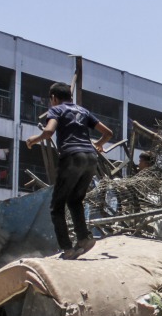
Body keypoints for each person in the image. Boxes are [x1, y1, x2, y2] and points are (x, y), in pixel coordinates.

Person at [26, 82, 113, 259]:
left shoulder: (57, 110)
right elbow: (108, 133)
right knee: (75, 201)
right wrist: (98, 145)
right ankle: (83, 239)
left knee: (56, 207)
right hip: (90, 158)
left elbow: (49, 131)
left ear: (54, 98)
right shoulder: (83, 111)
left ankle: (67, 248)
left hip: (72, 157)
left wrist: (34, 139)